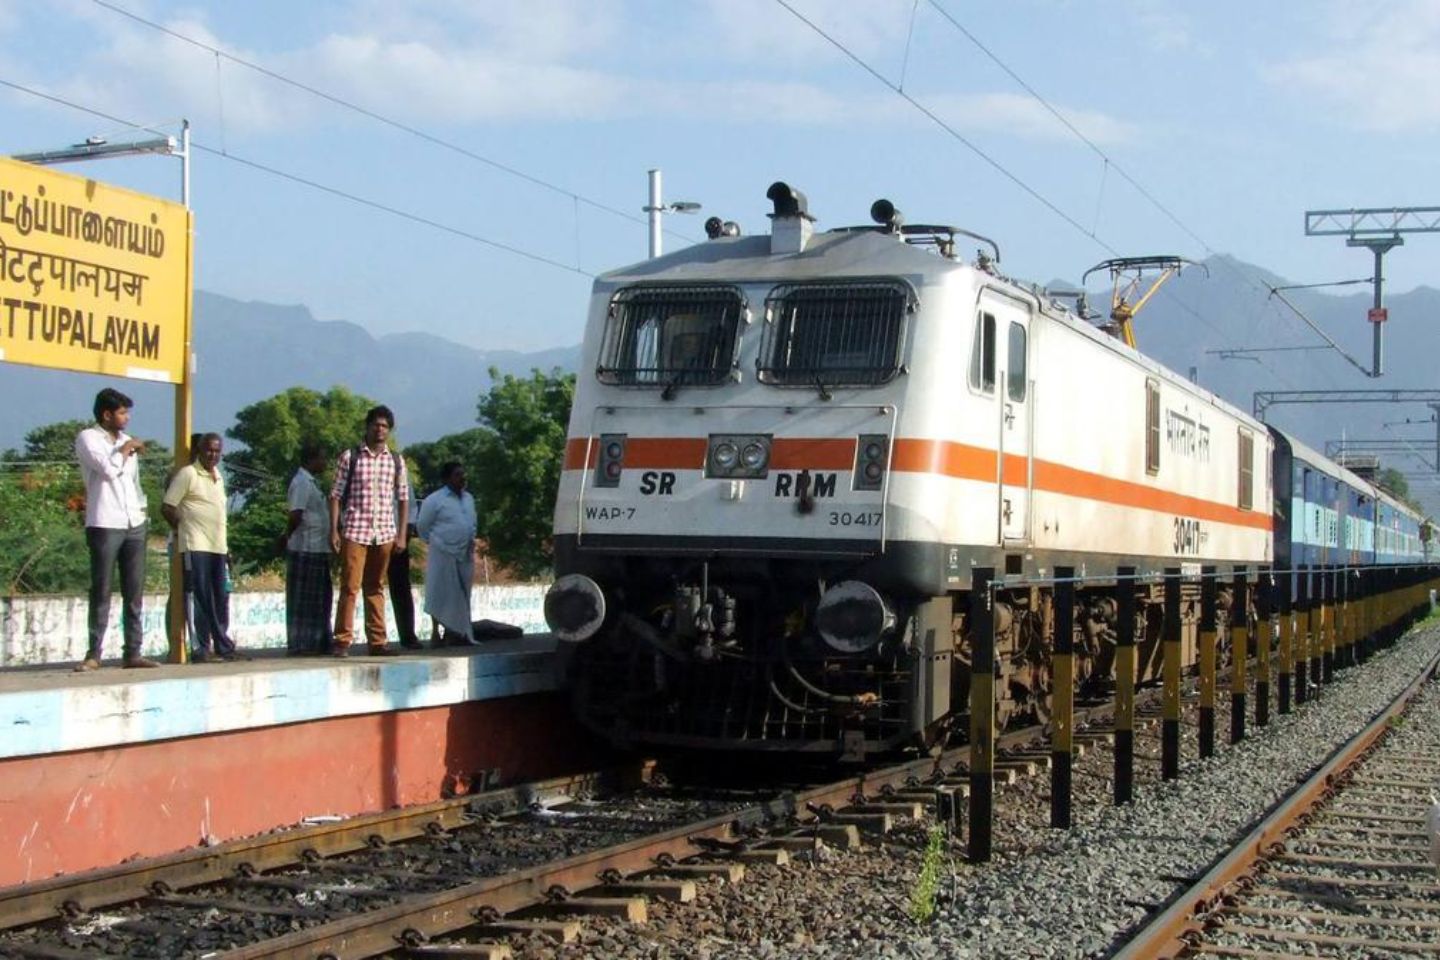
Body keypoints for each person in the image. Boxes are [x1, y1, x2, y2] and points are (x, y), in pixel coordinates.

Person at [74, 388, 160, 671]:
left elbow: (132, 482)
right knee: (101, 588)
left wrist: (142, 512)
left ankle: (133, 652)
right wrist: (124, 451)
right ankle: (94, 653)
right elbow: (108, 470)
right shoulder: (89, 438)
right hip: (105, 521)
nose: (127, 418)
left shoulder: (126, 440)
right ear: (106, 414)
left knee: (133, 590)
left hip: (133, 521)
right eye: (122, 412)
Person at [329, 405, 410, 657]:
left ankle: (377, 641)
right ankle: (343, 640)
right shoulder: (350, 457)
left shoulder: (395, 460)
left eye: (385, 426)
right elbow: (335, 495)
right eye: (376, 424)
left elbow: (403, 499)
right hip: (356, 529)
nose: (380, 430)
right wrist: (334, 530)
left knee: (376, 586)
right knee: (350, 586)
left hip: (384, 531)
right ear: (367, 426)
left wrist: (402, 534)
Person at [163, 433, 242, 662]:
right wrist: (182, 528)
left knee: (219, 597)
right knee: (198, 596)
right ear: (199, 450)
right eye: (209, 450)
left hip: (217, 546)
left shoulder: (218, 476)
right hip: (195, 544)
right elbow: (168, 507)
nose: (212, 455)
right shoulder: (188, 474)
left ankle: (222, 645)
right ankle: (200, 648)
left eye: (217, 451)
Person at [416, 462, 480, 646]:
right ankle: (436, 632)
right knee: (439, 592)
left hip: (464, 552)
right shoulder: (434, 500)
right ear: (447, 478)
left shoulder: (468, 498)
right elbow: (423, 527)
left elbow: (472, 523)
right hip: (442, 552)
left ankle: (459, 633)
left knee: (462, 594)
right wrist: (438, 542)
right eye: (457, 475)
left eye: (463, 474)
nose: (462, 478)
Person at [283, 442, 333, 656]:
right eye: (322, 458)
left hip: (318, 548)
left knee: (320, 600)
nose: (325, 462)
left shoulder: (312, 483)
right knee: (304, 601)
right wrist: (286, 537)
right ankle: (301, 644)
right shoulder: (302, 482)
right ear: (311, 460)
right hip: (306, 548)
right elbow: (296, 514)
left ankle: (318, 642)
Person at [388, 477, 423, 649]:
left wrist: (405, 534)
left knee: (401, 587)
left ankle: (408, 635)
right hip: (371, 536)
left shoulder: (401, 473)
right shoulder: (363, 468)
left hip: (397, 537)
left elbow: (411, 508)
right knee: (371, 587)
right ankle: (376, 639)